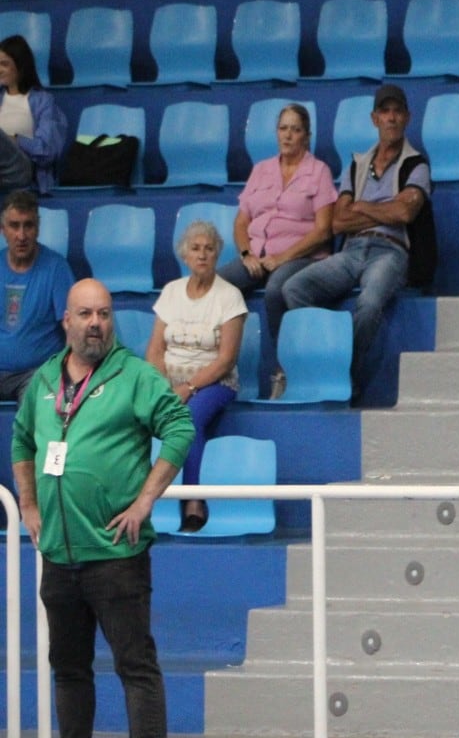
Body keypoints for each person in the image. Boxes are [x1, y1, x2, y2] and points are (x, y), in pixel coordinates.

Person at [14, 278, 195, 738]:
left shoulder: (135, 377)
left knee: (135, 666)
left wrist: (144, 502)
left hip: (116, 552)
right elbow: (23, 439)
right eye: (86, 314)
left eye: (105, 314)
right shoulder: (44, 379)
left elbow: (180, 427)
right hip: (59, 555)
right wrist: (28, 504)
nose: (96, 323)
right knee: (68, 667)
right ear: (65, 322)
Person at [281, 84, 430, 402]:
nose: (391, 118)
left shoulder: (416, 164)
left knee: (370, 302)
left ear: (407, 117)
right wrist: (381, 211)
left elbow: (405, 211)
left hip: (390, 251)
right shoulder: (357, 164)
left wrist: (361, 207)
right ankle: (324, 362)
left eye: (397, 112)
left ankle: (347, 373)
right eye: (385, 112)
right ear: (374, 118)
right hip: (352, 250)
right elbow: (337, 221)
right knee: (293, 289)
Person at [220, 103, 336, 398]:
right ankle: (216, 366)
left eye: (295, 129)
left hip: (301, 255)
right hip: (257, 254)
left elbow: (323, 230)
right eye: (283, 128)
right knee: (216, 285)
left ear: (306, 136)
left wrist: (280, 258)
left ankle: (282, 371)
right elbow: (241, 221)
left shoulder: (318, 172)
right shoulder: (261, 170)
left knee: (276, 290)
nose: (288, 135)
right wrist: (246, 254)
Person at [148, 220, 246, 533]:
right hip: (169, 383)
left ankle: (192, 499)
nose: (202, 255)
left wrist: (188, 387)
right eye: (195, 249)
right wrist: (165, 388)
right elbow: (154, 351)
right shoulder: (171, 292)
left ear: (217, 255)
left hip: (215, 382)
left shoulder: (229, 297)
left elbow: (226, 359)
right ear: (184, 255)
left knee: (187, 419)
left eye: (209, 249)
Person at [0, 190, 74, 402]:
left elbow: (73, 327)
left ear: (38, 228)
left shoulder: (56, 268)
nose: (21, 235)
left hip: (35, 374)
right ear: (3, 229)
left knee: (39, 406)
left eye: (28, 225)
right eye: (14, 225)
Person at [0, 34, 66, 195]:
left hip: (24, 169)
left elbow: (48, 151)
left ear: (20, 66)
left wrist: (15, 140)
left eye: (4, 64)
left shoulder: (43, 101)